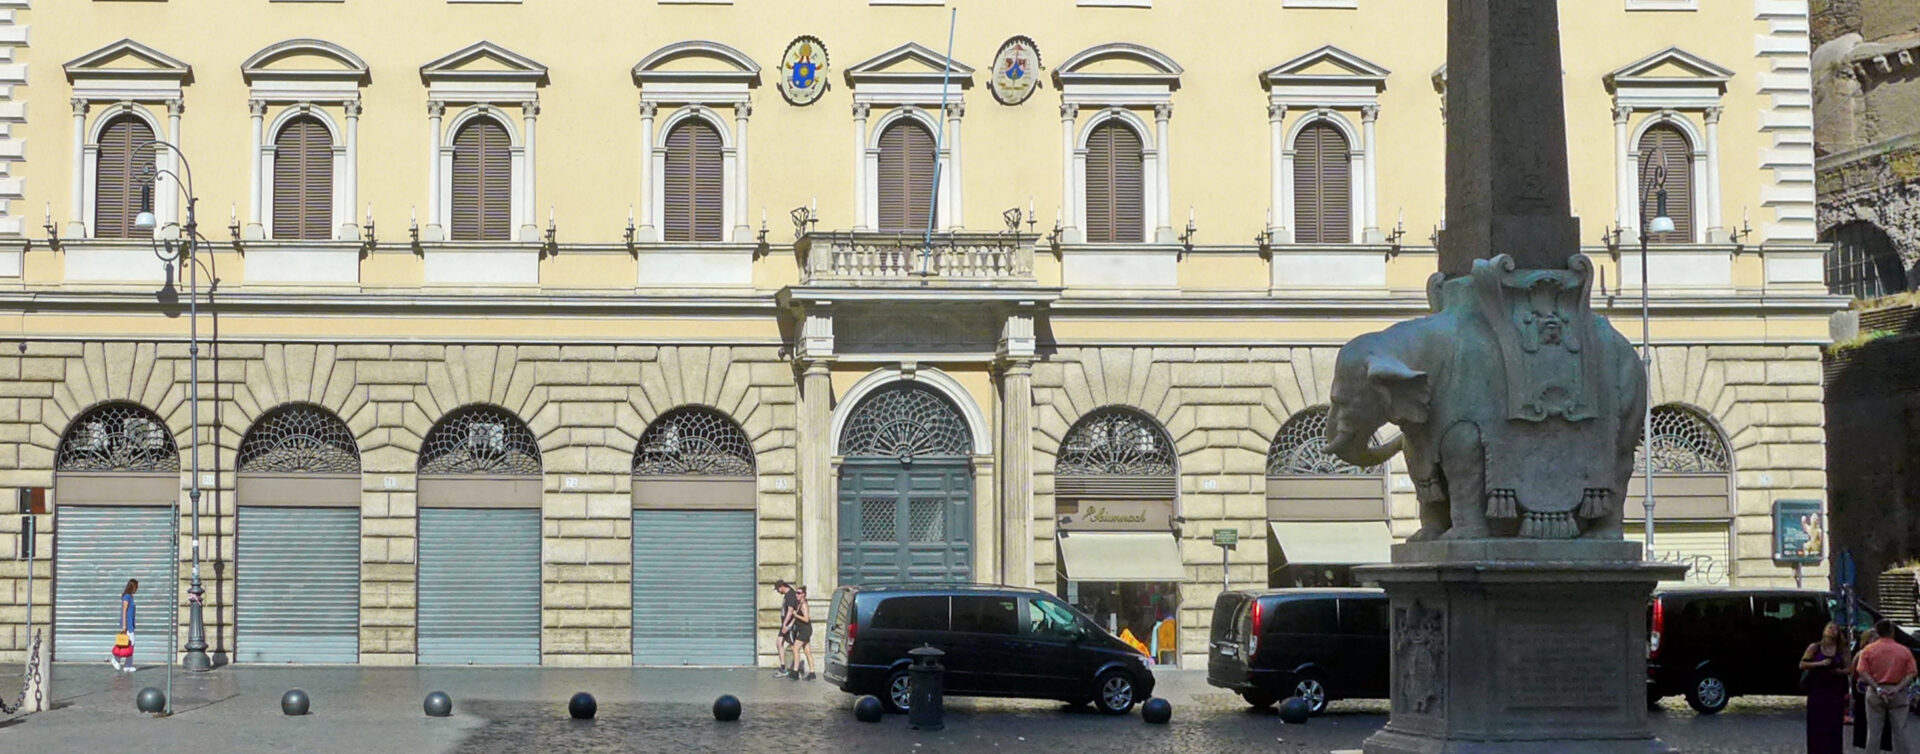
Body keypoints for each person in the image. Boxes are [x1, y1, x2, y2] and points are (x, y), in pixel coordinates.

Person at [1855, 619, 1916, 754]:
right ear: (1892, 632)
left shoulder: (1868, 650)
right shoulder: (1904, 651)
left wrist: (1876, 686)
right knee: (1900, 731)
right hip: (1898, 692)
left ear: (1877, 632)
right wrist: (1898, 687)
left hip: (1875, 691)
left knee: (1874, 732)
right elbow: (1912, 673)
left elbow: (1861, 670)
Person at [1800, 622, 1849, 754]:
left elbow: (1848, 669)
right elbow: (1803, 664)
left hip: (1835, 691)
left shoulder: (1841, 649)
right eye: (1830, 627)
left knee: (1834, 725)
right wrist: (1819, 664)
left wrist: (1837, 670)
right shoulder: (1815, 647)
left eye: (1835, 629)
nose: (1832, 630)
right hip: (1818, 689)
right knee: (1817, 724)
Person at [109, 579, 137, 673]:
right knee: (128, 644)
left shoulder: (130, 597)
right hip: (128, 625)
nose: (137, 589)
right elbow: (124, 610)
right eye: (136, 587)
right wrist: (124, 626)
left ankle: (127, 665)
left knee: (129, 644)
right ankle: (117, 660)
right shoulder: (127, 597)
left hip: (130, 624)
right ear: (132, 587)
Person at [790, 585, 816, 681]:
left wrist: (796, 615)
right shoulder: (799, 604)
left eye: (799, 593)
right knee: (807, 651)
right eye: (796, 593)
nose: (797, 594)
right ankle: (812, 672)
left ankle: (795, 672)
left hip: (805, 630)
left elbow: (806, 619)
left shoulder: (804, 605)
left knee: (795, 648)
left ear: (803, 595)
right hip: (803, 630)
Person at [773, 580, 797, 678]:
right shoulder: (787, 595)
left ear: (782, 586)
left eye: (778, 589)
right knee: (779, 643)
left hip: (788, 626)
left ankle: (796, 669)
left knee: (793, 647)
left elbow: (790, 611)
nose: (778, 591)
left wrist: (785, 624)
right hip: (784, 625)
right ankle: (783, 667)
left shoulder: (791, 595)